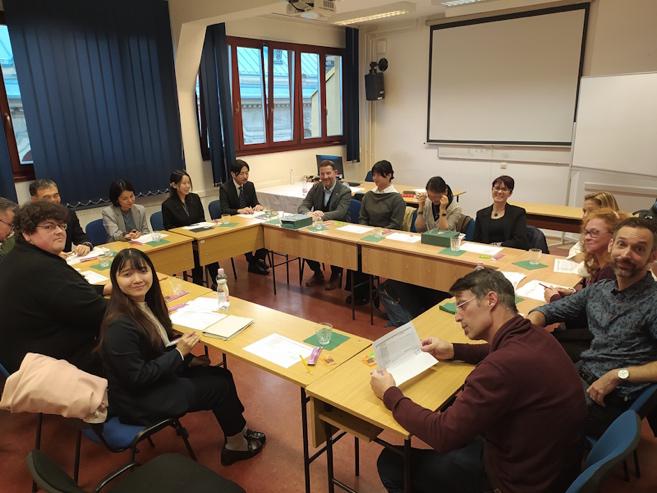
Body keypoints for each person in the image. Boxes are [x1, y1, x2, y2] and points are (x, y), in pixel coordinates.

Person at [372, 268, 585, 493]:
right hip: (546, 467)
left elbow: (443, 434)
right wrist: (454, 350)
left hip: (512, 483)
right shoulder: (534, 334)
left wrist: (390, 394)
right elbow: (497, 350)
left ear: (491, 299)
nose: (457, 316)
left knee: (391, 463)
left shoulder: (500, 368)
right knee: (461, 420)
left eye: (462, 305)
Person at [98, 248, 265, 465]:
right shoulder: (119, 324)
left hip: (152, 382)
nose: (137, 279)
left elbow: (158, 346)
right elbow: (137, 378)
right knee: (218, 387)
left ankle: (239, 430)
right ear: (115, 280)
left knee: (222, 375)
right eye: (127, 274)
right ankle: (236, 446)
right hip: (139, 399)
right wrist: (179, 353)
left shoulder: (144, 304)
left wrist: (189, 359)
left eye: (143, 271)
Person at [528, 217, 657, 438]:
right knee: (513, 385)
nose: (626, 254)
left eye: (639, 249)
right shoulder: (601, 290)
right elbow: (550, 310)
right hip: (581, 375)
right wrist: (533, 320)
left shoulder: (653, 302)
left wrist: (618, 375)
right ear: (611, 245)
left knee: (518, 411)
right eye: (622, 244)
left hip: (606, 399)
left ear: (652, 256)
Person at [0, 201, 110, 374]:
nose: (59, 231)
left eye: (61, 225)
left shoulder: (20, 255)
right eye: (49, 227)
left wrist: (102, 289)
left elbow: (64, 293)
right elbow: (98, 312)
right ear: (27, 233)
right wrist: (137, 305)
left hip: (26, 357)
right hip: (54, 368)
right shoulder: (41, 267)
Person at [544, 208, 625, 362]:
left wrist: (555, 299)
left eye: (594, 233)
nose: (587, 237)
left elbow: (589, 318)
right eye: (586, 232)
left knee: (540, 340)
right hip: (590, 332)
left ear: (612, 238)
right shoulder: (600, 264)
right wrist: (573, 294)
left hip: (596, 342)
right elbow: (592, 299)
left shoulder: (610, 272)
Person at [298, 159, 352, 290]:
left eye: (328, 173)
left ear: (336, 173)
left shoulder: (344, 190)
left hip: (338, 226)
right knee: (303, 241)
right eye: (322, 174)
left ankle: (336, 275)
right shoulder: (316, 187)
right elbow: (303, 205)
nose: (325, 177)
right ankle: (317, 272)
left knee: (334, 244)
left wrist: (321, 216)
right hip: (318, 227)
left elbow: (341, 212)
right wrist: (308, 213)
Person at [161, 170, 219, 287]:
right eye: (184, 183)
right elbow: (169, 228)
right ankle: (198, 284)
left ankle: (217, 283)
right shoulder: (167, 205)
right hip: (184, 242)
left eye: (189, 183)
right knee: (198, 253)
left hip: (199, 238)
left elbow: (201, 219)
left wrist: (208, 224)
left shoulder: (195, 198)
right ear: (174, 185)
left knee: (208, 250)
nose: (187, 186)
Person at [219, 160, 269, 275]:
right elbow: (224, 210)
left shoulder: (249, 185)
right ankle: (254, 262)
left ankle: (256, 261)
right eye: (242, 174)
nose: (245, 176)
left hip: (249, 221)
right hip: (235, 225)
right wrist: (239, 210)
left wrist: (258, 206)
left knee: (266, 233)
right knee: (246, 236)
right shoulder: (225, 188)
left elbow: (255, 202)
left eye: (247, 173)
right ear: (233, 174)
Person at [29, 178, 93, 255]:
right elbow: (26, 250)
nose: (53, 200)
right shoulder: (28, 219)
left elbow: (80, 237)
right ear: (34, 200)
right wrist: (52, 255)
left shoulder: (68, 214)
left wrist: (85, 245)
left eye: (56, 195)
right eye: (47, 198)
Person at [473, 175, 528, 249]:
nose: (499, 192)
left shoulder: (518, 213)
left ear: (510, 193)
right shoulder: (481, 214)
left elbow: (520, 241)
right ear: (492, 189)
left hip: (508, 252)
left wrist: (498, 245)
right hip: (485, 253)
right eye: (497, 188)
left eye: (504, 189)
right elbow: (476, 240)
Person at [568, 191, 621, 261]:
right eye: (584, 211)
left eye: (591, 211)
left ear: (606, 212)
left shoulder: (618, 235)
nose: (585, 216)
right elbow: (574, 252)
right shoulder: (589, 230)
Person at [359, 160, 405, 230]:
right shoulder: (368, 195)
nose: (375, 178)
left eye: (378, 175)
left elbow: (396, 224)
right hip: (367, 232)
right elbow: (362, 218)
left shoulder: (397, 199)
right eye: (374, 175)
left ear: (389, 175)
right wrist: (366, 230)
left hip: (387, 233)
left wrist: (378, 232)